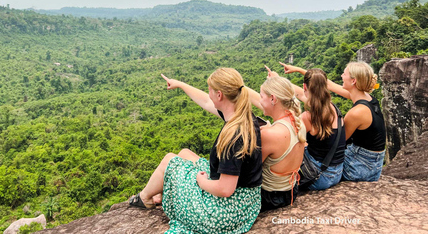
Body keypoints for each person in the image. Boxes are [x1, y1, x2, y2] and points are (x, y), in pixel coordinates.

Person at [129, 68, 262, 234]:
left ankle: (145, 198)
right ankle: (158, 193)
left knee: (169, 160)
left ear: (219, 95)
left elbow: (225, 189)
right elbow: (206, 102)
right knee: (184, 153)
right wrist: (181, 85)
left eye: (210, 90)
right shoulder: (244, 115)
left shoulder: (233, 137)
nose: (209, 94)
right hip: (247, 203)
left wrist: (201, 182)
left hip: (226, 213)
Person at [279, 61, 386, 182]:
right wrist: (296, 71)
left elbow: (338, 141)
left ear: (353, 81)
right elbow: (324, 83)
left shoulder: (358, 113)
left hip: (360, 168)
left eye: (344, 74)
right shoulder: (366, 97)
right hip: (370, 163)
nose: (341, 75)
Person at [272, 67, 346, 190]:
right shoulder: (333, 108)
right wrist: (278, 79)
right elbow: (300, 94)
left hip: (320, 177)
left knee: (289, 147)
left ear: (305, 86)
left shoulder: (308, 117)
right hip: (337, 172)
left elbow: (286, 137)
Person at [246, 73, 306, 211]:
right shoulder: (299, 122)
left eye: (261, 97)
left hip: (270, 197)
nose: (260, 101)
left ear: (273, 99)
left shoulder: (270, 134)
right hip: (291, 191)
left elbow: (250, 171)